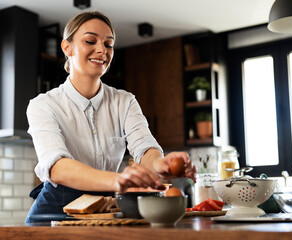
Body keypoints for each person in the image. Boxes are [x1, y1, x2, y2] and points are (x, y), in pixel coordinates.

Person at [25, 11, 195, 223]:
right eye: (90, 41)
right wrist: (120, 180)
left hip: (104, 210)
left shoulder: (125, 102)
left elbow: (144, 146)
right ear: (66, 48)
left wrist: (160, 164)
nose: (101, 50)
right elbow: (58, 168)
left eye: (108, 44)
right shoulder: (43, 105)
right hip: (52, 214)